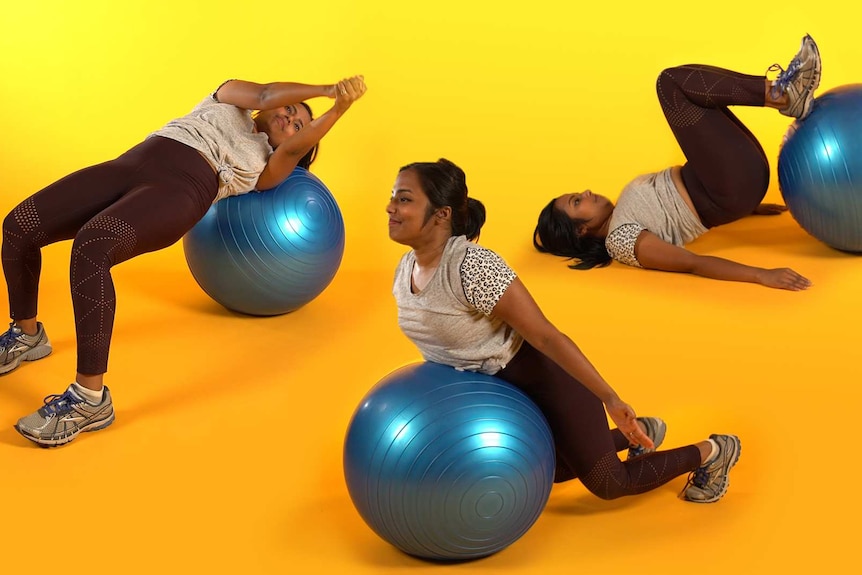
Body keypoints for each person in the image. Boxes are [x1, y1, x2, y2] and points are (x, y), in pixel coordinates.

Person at [1, 75, 368, 447]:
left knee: (91, 249)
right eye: (289, 110)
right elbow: (264, 93)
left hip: (181, 192)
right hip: (128, 167)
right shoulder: (224, 101)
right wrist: (325, 90)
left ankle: (90, 399)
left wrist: (338, 107)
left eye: (299, 125)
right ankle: (27, 335)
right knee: (19, 225)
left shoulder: (269, 163)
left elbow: (294, 145)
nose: (289, 119)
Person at [386, 157, 740, 503]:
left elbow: (545, 336)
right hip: (503, 395)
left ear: (441, 214)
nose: (390, 207)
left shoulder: (472, 265)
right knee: (550, 468)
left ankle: (713, 452)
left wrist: (611, 399)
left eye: (404, 199)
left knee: (609, 484)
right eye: (393, 197)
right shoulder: (405, 270)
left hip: (544, 378)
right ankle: (643, 433)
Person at [533, 35, 820, 291]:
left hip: (732, 184)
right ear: (580, 230)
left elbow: (674, 209)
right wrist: (761, 275)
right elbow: (692, 263)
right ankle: (783, 95)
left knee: (697, 92)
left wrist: (750, 209)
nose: (584, 193)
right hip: (729, 188)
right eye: (575, 202)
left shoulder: (623, 210)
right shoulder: (620, 240)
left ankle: (783, 93)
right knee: (670, 84)